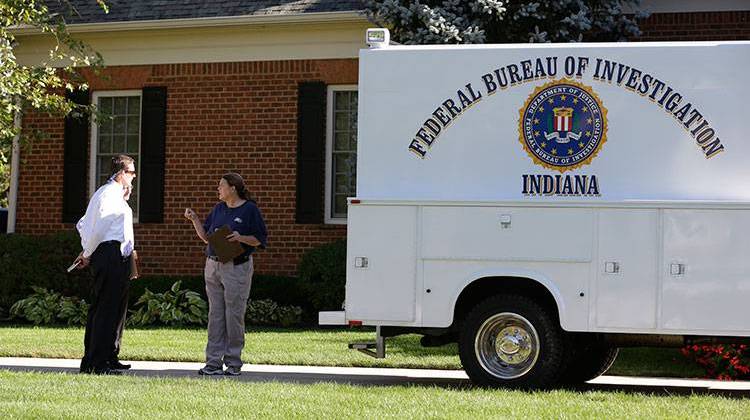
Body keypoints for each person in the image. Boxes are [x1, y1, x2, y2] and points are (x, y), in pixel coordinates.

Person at [185, 172, 267, 376]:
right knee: (215, 315)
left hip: (236, 267)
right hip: (213, 265)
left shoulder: (249, 209)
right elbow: (206, 237)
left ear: (233, 188)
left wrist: (241, 237)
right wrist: (194, 219)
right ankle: (212, 362)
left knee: (234, 315)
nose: (218, 189)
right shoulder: (219, 209)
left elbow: (259, 239)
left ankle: (233, 363)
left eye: (221, 185)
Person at [74, 155, 136, 375]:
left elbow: (84, 223)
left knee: (117, 309)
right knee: (105, 309)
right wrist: (88, 252)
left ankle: (110, 356)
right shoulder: (108, 194)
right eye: (131, 172)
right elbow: (95, 227)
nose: (134, 176)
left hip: (120, 256)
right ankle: (95, 362)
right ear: (120, 173)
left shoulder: (116, 195)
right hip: (109, 254)